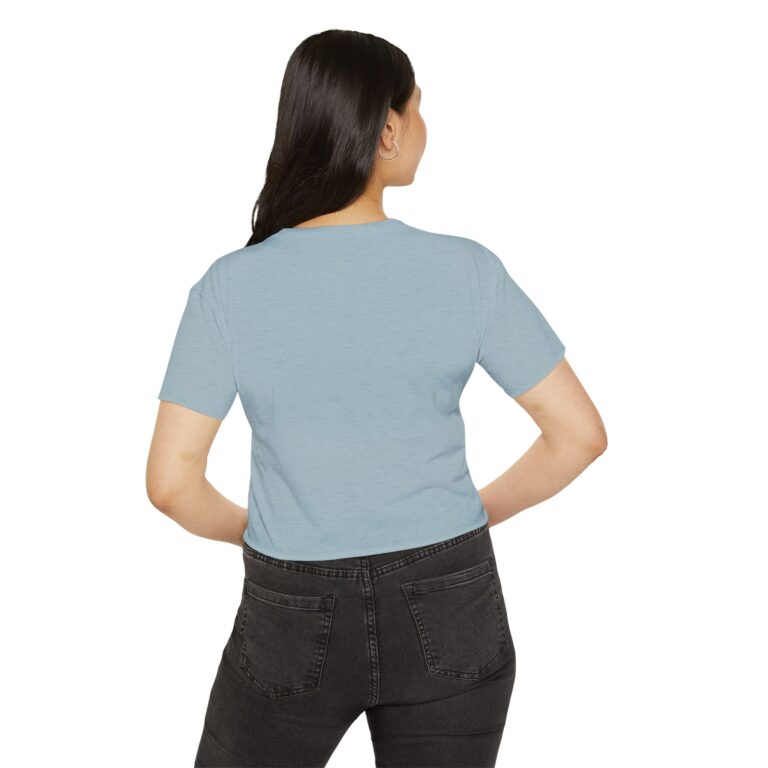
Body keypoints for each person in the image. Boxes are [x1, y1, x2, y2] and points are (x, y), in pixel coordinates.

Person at [146, 28, 607, 768]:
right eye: (419, 108)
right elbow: (579, 435)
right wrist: (469, 516)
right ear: (388, 128)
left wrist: (255, 530)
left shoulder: (229, 286)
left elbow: (171, 484)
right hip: (450, 596)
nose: (424, 126)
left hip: (292, 604)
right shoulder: (467, 271)